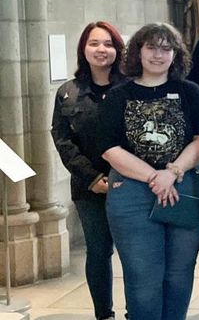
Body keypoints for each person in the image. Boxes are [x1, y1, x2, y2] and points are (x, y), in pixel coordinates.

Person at [97, 23, 199, 320]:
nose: (158, 55)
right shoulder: (119, 95)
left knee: (179, 272)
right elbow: (109, 148)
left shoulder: (190, 92)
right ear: (138, 51)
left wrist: (172, 172)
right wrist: (154, 176)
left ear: (175, 54)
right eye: (151, 47)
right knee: (143, 274)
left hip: (183, 187)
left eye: (166, 48)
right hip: (132, 193)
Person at [51, 21, 125, 320]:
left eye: (108, 43)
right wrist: (93, 178)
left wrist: (123, 176)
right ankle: (103, 314)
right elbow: (62, 139)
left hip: (130, 184)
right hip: (88, 186)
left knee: (135, 254)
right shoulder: (68, 92)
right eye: (94, 43)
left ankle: (138, 311)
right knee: (98, 252)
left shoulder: (130, 87)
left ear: (117, 49)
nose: (101, 49)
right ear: (84, 48)